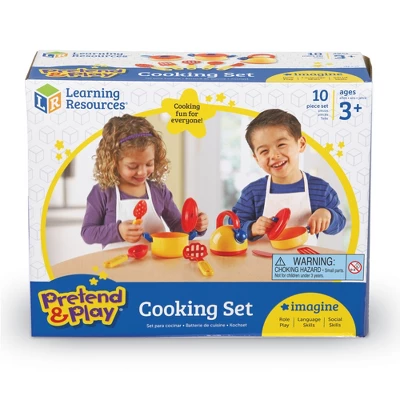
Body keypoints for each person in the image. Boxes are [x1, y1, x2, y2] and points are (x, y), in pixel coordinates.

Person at [81, 114, 208, 250]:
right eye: (133, 166)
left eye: (149, 164)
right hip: (117, 262)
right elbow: (87, 233)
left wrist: (194, 225)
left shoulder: (159, 190)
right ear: (113, 162)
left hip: (155, 261)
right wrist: (118, 231)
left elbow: (177, 227)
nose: (142, 172)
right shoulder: (103, 192)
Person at [232, 109, 346, 243]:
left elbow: (340, 222)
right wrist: (252, 228)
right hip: (262, 256)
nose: (274, 155)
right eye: (264, 151)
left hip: (303, 256)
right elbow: (234, 226)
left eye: (281, 145)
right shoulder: (253, 192)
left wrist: (328, 215)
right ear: (256, 158)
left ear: (301, 144)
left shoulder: (320, 189)